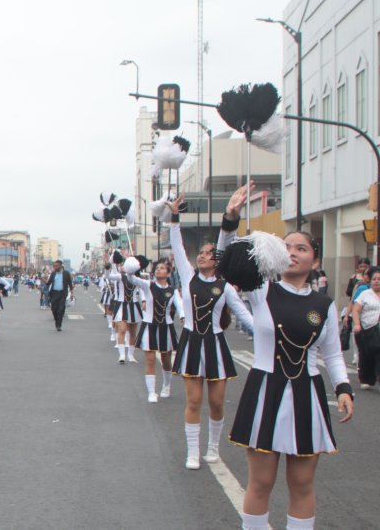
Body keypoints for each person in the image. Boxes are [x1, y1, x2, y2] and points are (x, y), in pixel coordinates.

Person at [223, 201, 354, 530]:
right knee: (261, 483)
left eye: (302, 247)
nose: (293, 252)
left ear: (316, 259)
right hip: (265, 391)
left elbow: (334, 354)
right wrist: (230, 220)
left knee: (302, 484)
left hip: (306, 394)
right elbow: (228, 262)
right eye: (287, 246)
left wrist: (343, 388)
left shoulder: (324, 304)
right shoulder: (261, 289)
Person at [167, 192, 255, 470]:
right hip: (192, 343)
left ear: (217, 260)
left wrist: (269, 333)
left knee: (217, 403)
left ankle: (213, 447)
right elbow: (177, 246)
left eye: (208, 253)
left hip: (216, 346)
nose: (202, 256)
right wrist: (174, 217)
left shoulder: (226, 287)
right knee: (194, 400)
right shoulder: (189, 277)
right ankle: (192, 451)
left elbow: (244, 318)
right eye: (201, 253)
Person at [123, 256, 182, 404]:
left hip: (166, 327)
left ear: (168, 273)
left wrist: (183, 315)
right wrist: (132, 267)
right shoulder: (147, 285)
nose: (159, 270)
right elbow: (131, 278)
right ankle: (151, 392)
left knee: (166, 360)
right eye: (157, 268)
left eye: (162, 268)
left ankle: (166, 386)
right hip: (149, 326)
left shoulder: (172, 290)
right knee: (150, 360)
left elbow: (179, 305)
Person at [350, 266, 380, 390]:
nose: (377, 281)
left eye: (379, 279)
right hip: (366, 330)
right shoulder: (364, 294)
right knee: (366, 355)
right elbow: (356, 310)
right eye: (374, 279)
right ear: (370, 281)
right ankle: (366, 379)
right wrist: (357, 324)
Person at [46, 260, 72, 332]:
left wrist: (72, 294)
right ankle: (56, 320)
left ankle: (59, 325)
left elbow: (70, 284)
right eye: (54, 266)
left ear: (60, 266)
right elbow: (48, 283)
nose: (55, 267)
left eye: (56, 266)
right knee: (54, 309)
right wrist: (42, 280)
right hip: (54, 294)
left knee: (61, 309)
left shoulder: (66, 273)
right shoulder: (53, 274)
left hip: (62, 294)